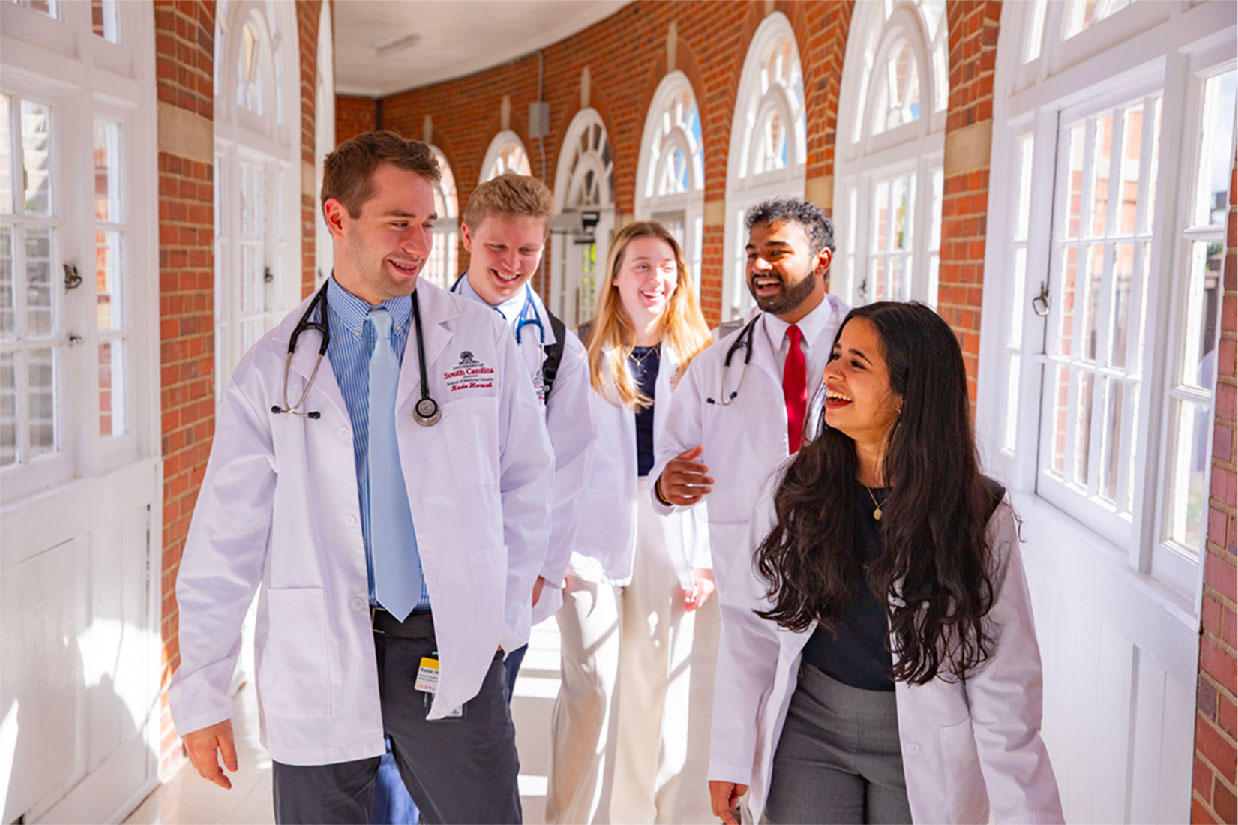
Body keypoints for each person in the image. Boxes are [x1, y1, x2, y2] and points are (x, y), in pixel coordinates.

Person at [166, 131, 554, 825]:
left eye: (427, 223)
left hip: (446, 636)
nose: (418, 243)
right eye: (398, 222)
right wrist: (202, 691)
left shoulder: (478, 339)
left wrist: (502, 612)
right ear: (337, 218)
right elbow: (225, 537)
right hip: (319, 639)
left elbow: (528, 479)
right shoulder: (271, 368)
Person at [707, 302, 1064, 825]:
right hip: (808, 731)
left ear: (908, 393)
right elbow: (750, 626)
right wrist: (731, 751)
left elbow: (1004, 684)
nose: (830, 372)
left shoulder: (977, 516)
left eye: (857, 363)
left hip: (918, 741)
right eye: (835, 355)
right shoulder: (794, 488)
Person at [545, 221, 713, 825]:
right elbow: (552, 458)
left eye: (666, 267)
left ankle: (648, 816)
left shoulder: (699, 357)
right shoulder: (576, 351)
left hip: (667, 534)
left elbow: (710, 464)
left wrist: (702, 560)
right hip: (585, 538)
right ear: (614, 273)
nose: (655, 278)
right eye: (641, 265)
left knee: (656, 690)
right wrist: (551, 548)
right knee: (591, 689)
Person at [650, 198, 850, 595]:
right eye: (752, 254)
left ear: (821, 261)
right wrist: (665, 486)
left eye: (777, 253)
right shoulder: (714, 363)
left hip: (844, 556)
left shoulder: (867, 348)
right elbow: (671, 457)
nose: (759, 266)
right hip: (747, 570)